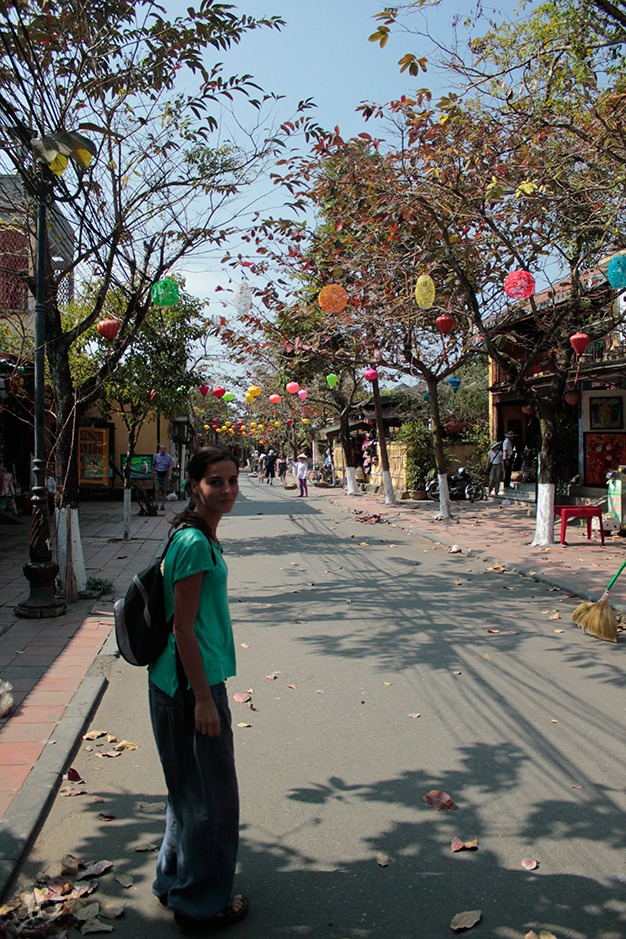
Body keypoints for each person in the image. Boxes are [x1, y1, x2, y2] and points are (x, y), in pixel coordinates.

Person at [148, 445, 248, 934]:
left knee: (186, 792)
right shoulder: (192, 542)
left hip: (176, 682)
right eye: (215, 481)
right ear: (194, 485)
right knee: (212, 799)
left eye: (232, 480)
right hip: (190, 686)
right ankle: (201, 904)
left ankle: (175, 882)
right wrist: (205, 698)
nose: (226, 490)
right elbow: (182, 629)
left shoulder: (199, 535)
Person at [153, 444, 175, 511]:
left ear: (165, 449)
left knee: (164, 489)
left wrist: (169, 475)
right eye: (161, 448)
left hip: (165, 473)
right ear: (159, 449)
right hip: (157, 473)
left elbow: (170, 467)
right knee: (157, 489)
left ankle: (162, 504)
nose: (163, 449)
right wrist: (152, 474)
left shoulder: (168, 457)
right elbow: (153, 464)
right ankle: (156, 504)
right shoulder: (156, 456)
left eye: (164, 448)